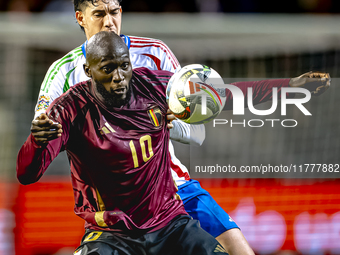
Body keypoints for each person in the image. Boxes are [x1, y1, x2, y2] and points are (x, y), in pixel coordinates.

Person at [31, 0, 330, 254]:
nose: (110, 22)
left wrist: (173, 121)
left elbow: (196, 131)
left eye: (115, 11)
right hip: (114, 211)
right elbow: (42, 135)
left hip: (175, 192)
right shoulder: (62, 74)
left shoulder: (156, 54)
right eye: (99, 14)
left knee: (241, 250)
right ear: (80, 18)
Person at [17, 31, 229, 255]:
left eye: (124, 66)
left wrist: (198, 104)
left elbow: (198, 125)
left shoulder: (156, 85)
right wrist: (36, 142)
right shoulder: (69, 110)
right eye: (108, 68)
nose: (119, 76)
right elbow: (26, 175)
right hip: (111, 234)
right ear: (88, 71)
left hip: (170, 223)